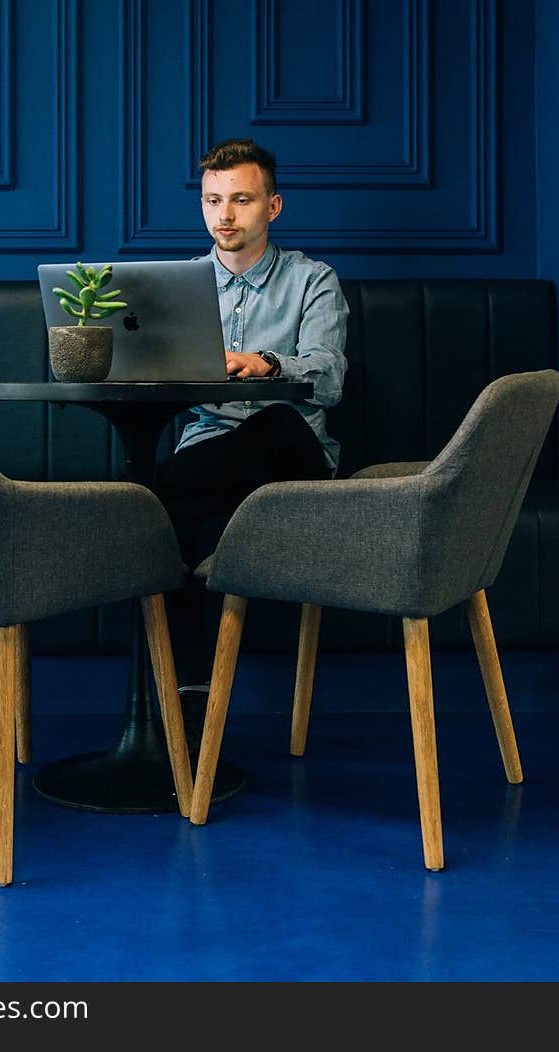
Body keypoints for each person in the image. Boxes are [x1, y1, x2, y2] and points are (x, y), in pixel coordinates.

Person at [155, 138, 349, 718]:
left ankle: (141, 497)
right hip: (211, 461)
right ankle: (186, 694)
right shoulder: (180, 285)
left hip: (292, 457)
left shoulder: (313, 279)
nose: (225, 215)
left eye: (241, 199)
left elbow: (332, 377)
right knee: (176, 526)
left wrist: (266, 363)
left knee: (276, 423)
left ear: (273, 206)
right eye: (213, 201)